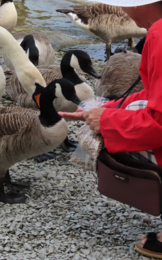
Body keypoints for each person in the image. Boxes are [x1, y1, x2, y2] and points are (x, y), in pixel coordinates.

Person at [59, 0, 162, 258]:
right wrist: (105, 110)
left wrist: (106, 123)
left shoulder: (160, 35)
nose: (122, 10)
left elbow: (159, 123)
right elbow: (153, 96)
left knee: (108, 146)